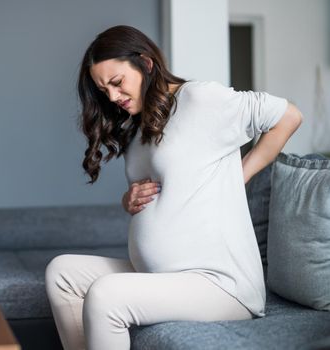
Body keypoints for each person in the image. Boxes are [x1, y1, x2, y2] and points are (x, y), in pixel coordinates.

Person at [45, 25, 303, 350]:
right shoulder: (139, 124)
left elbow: (288, 115)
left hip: (220, 284)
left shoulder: (199, 100)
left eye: (116, 82)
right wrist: (129, 200)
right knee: (61, 272)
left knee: (106, 296)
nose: (112, 97)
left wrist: (241, 175)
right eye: (103, 90)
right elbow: (164, 189)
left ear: (146, 64)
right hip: (163, 277)